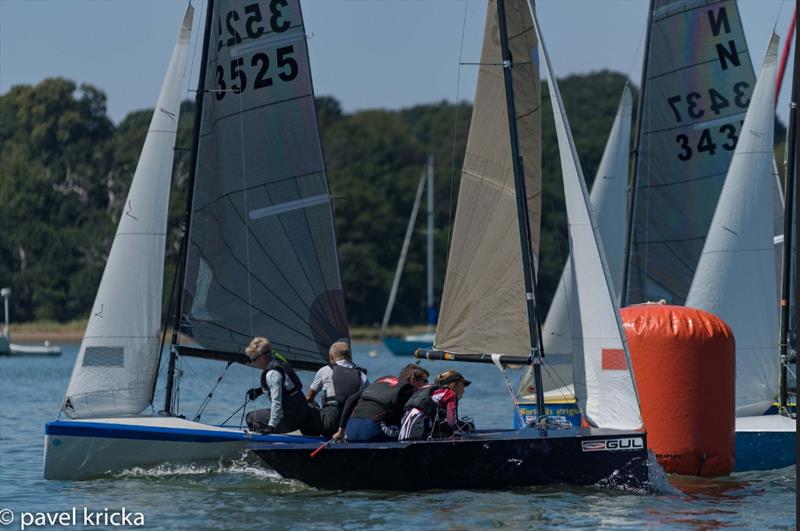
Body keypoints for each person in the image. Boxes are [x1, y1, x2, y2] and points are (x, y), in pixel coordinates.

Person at [332, 364, 430, 442]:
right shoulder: (407, 389)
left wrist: (341, 431)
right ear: (412, 379)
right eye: (424, 380)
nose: (426, 384)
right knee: (411, 428)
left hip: (350, 430)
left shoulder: (382, 380)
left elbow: (351, 399)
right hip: (370, 431)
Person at [243, 337, 320, 435]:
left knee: (251, 417)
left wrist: (271, 426)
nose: (252, 363)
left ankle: (263, 447)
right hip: (303, 413)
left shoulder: (272, 373)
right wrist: (259, 391)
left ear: (262, 357)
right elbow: (287, 388)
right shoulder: (279, 363)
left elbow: (276, 402)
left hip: (292, 419)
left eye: (253, 360)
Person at [306, 341, 369, 437]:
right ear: (350, 356)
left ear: (331, 356)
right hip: (349, 425)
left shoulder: (325, 370)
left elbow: (309, 397)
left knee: (304, 405)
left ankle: (311, 439)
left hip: (329, 423)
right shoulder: (362, 375)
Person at [398, 370, 473, 440]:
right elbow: (452, 422)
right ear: (454, 384)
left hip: (405, 425)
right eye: (462, 386)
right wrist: (467, 427)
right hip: (417, 426)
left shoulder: (434, 391)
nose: (463, 390)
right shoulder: (450, 394)